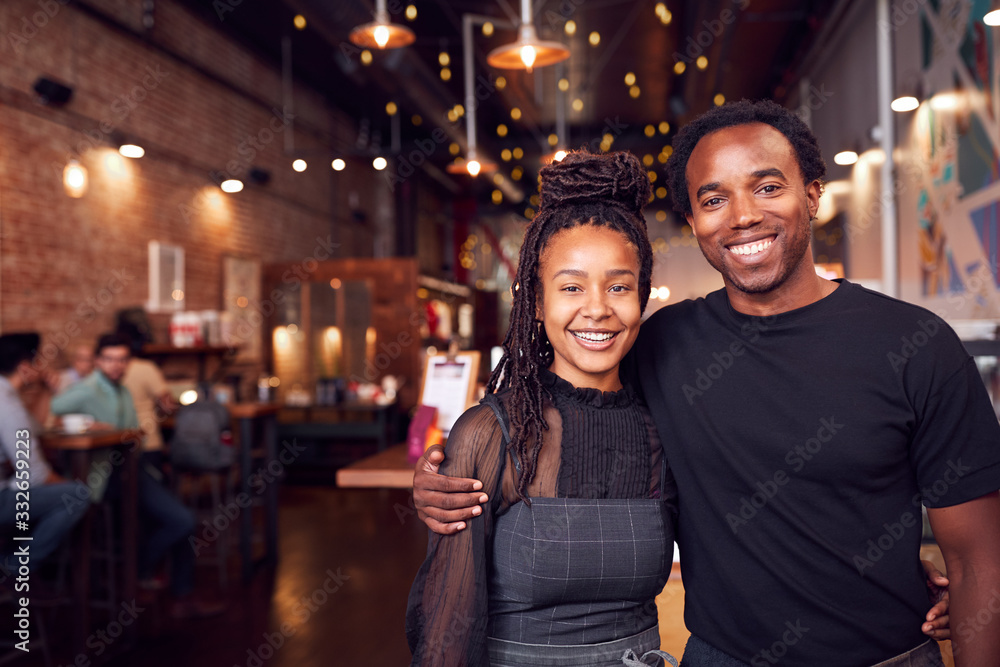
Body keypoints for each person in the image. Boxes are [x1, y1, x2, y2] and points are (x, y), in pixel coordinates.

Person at [413, 100, 992, 665]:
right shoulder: (663, 345)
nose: (742, 216)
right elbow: (560, 397)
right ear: (692, 221)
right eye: (714, 199)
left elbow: (978, 562)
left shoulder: (916, 346)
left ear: (813, 193)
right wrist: (443, 475)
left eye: (768, 187)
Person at [407, 151, 680, 667]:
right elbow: (447, 628)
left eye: (618, 286)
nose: (597, 307)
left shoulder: (661, 426)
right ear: (535, 299)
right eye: (571, 286)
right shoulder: (490, 433)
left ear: (641, 296)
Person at [50, 333, 219, 618]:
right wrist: (86, 426)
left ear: (129, 362)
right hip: (103, 476)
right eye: (110, 359)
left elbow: (131, 432)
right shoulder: (88, 388)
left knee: (177, 520)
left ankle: (152, 579)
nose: (116, 366)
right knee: (181, 520)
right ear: (99, 361)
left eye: (122, 360)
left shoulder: (122, 390)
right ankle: (142, 574)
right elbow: (52, 415)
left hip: (131, 469)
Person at [0, 333, 89, 579]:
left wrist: (47, 390)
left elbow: (35, 428)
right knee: (77, 495)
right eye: (38, 361)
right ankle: (15, 566)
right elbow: (35, 473)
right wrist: (67, 485)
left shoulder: (6, 395)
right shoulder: (5, 403)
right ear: (25, 367)